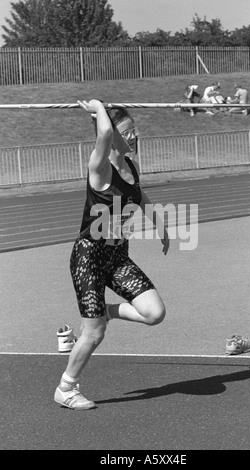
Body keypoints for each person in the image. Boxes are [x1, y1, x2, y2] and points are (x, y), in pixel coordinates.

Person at [54, 100, 170, 410]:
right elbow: (104, 130)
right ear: (114, 136)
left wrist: (161, 226)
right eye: (129, 132)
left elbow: (139, 195)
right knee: (94, 333)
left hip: (117, 257)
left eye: (135, 130)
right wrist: (96, 107)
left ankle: (105, 310)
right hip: (89, 257)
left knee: (154, 313)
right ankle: (66, 388)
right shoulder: (99, 167)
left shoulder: (131, 167)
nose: (135, 136)